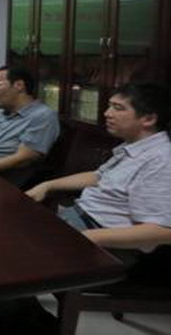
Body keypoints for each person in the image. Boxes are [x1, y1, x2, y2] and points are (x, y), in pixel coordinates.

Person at [27, 82, 171, 259]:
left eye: (118, 108)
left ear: (148, 119)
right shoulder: (135, 146)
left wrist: (87, 237)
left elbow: (163, 231)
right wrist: (48, 185)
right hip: (78, 217)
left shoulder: (161, 160)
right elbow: (99, 176)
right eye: (110, 106)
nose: (107, 113)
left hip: (101, 239)